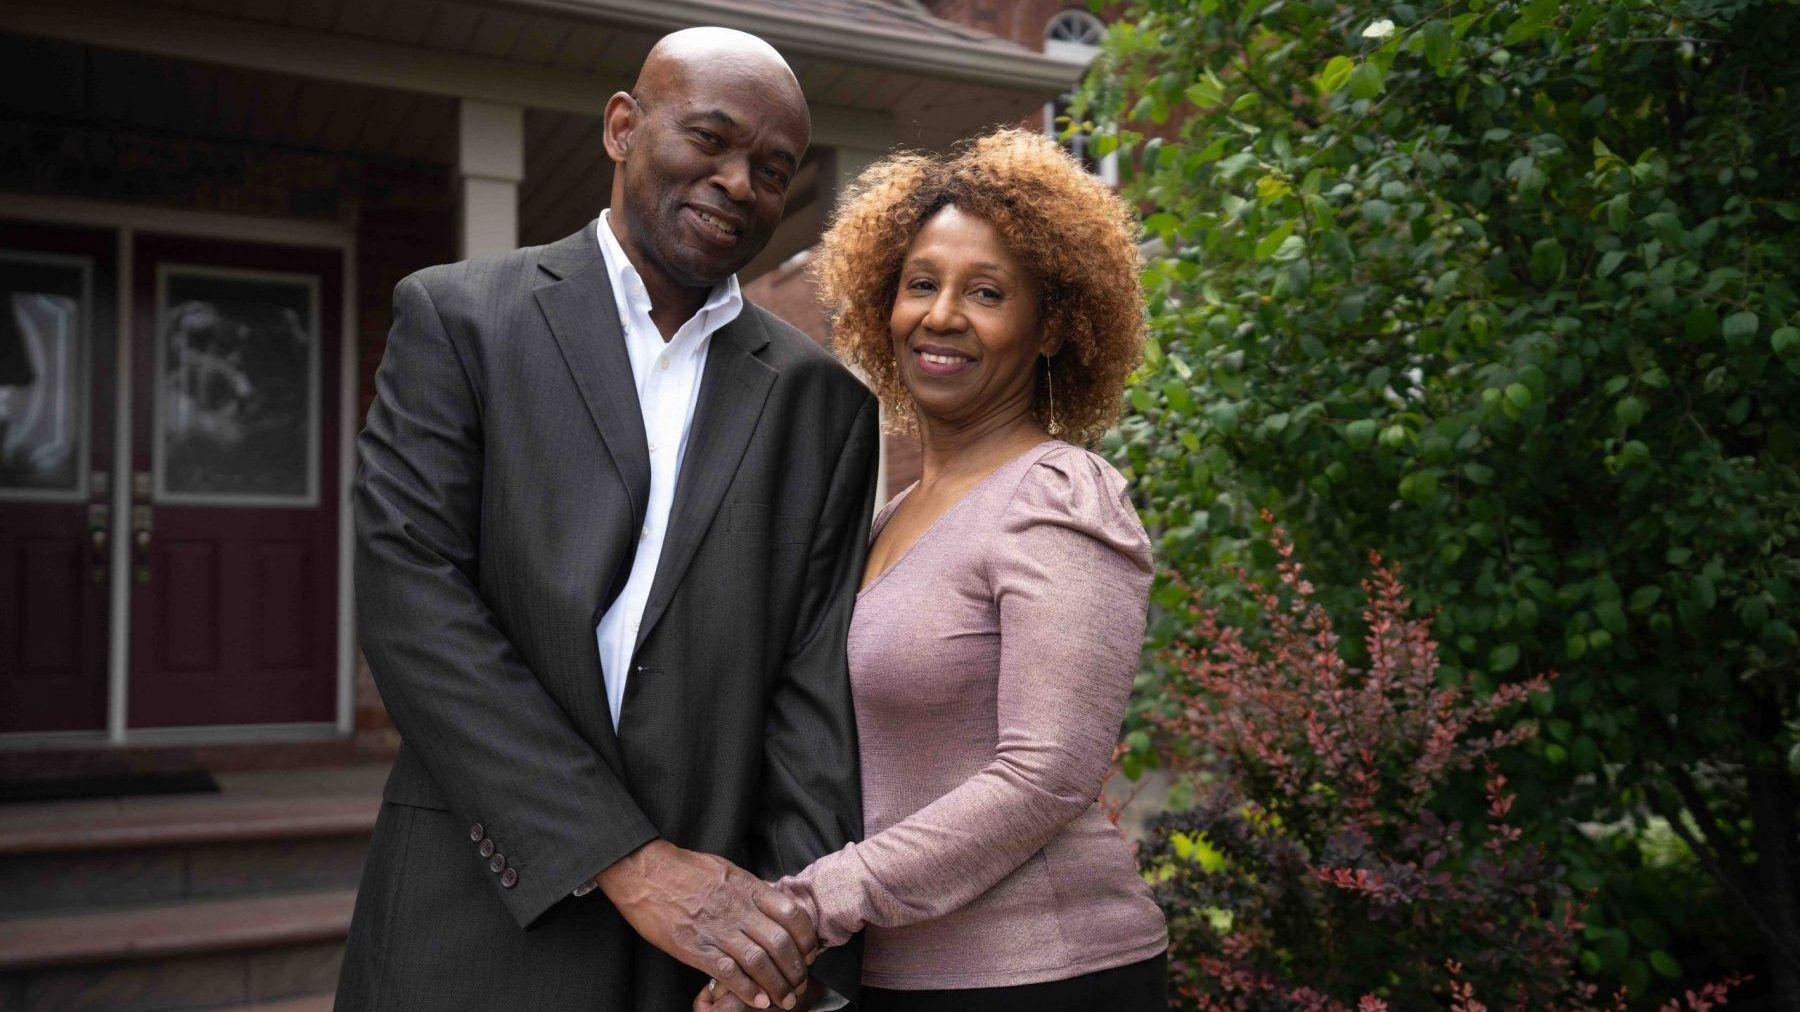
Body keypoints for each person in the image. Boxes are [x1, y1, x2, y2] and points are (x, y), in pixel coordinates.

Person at [338, 27, 877, 1012]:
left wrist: (789, 939)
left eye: (771, 167)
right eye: (709, 139)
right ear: (623, 127)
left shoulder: (823, 405)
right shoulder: (461, 322)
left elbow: (813, 695)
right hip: (474, 907)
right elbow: (413, 608)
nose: (736, 181)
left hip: (709, 947)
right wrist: (627, 860)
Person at [697, 128, 1168, 1012]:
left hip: (1044, 972)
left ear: (1055, 327)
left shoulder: (1060, 496)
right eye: (921, 284)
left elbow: (1047, 777)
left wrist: (806, 908)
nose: (941, 315)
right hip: (894, 972)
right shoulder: (888, 514)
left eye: (986, 292)